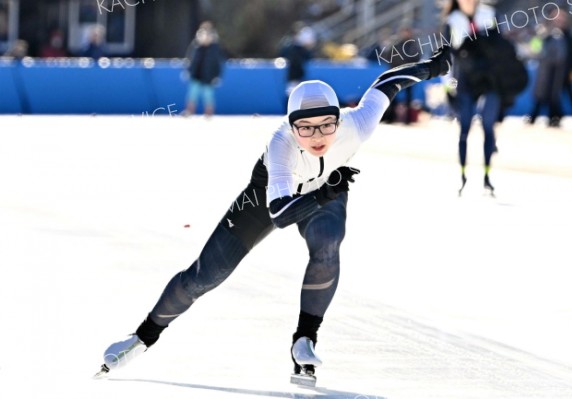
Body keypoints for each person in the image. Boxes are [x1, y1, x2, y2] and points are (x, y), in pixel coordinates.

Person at [95, 45, 452, 383]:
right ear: (291, 127)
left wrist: (431, 68)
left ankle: (305, 340)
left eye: (327, 125)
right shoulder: (281, 145)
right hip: (268, 196)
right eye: (305, 128)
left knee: (327, 245)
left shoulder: (357, 123)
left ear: (339, 119)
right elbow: (280, 213)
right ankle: (142, 337)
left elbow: (388, 83)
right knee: (205, 276)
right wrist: (326, 190)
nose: (317, 136)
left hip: (326, 188)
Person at [444, 0, 502, 196]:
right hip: (464, 80)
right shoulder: (452, 20)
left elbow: (500, 46)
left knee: (488, 124)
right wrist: (448, 85)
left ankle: (487, 177)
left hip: (488, 79)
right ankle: (462, 177)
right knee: (465, 126)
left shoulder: (489, 14)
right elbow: (446, 55)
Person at [528, 8, 572, 128]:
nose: (559, 20)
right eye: (556, 18)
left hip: (566, 72)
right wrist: (540, 36)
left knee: (568, 95)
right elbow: (535, 49)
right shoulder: (545, 34)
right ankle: (537, 118)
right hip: (548, 72)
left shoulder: (569, 35)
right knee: (543, 95)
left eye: (561, 18)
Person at [182, 21, 223, 117]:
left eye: (208, 33)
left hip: (208, 77)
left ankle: (208, 114)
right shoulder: (196, 46)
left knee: (208, 96)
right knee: (192, 95)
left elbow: (218, 64)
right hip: (196, 75)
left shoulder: (215, 48)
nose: (205, 36)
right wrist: (188, 70)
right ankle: (189, 112)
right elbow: (189, 59)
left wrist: (217, 76)